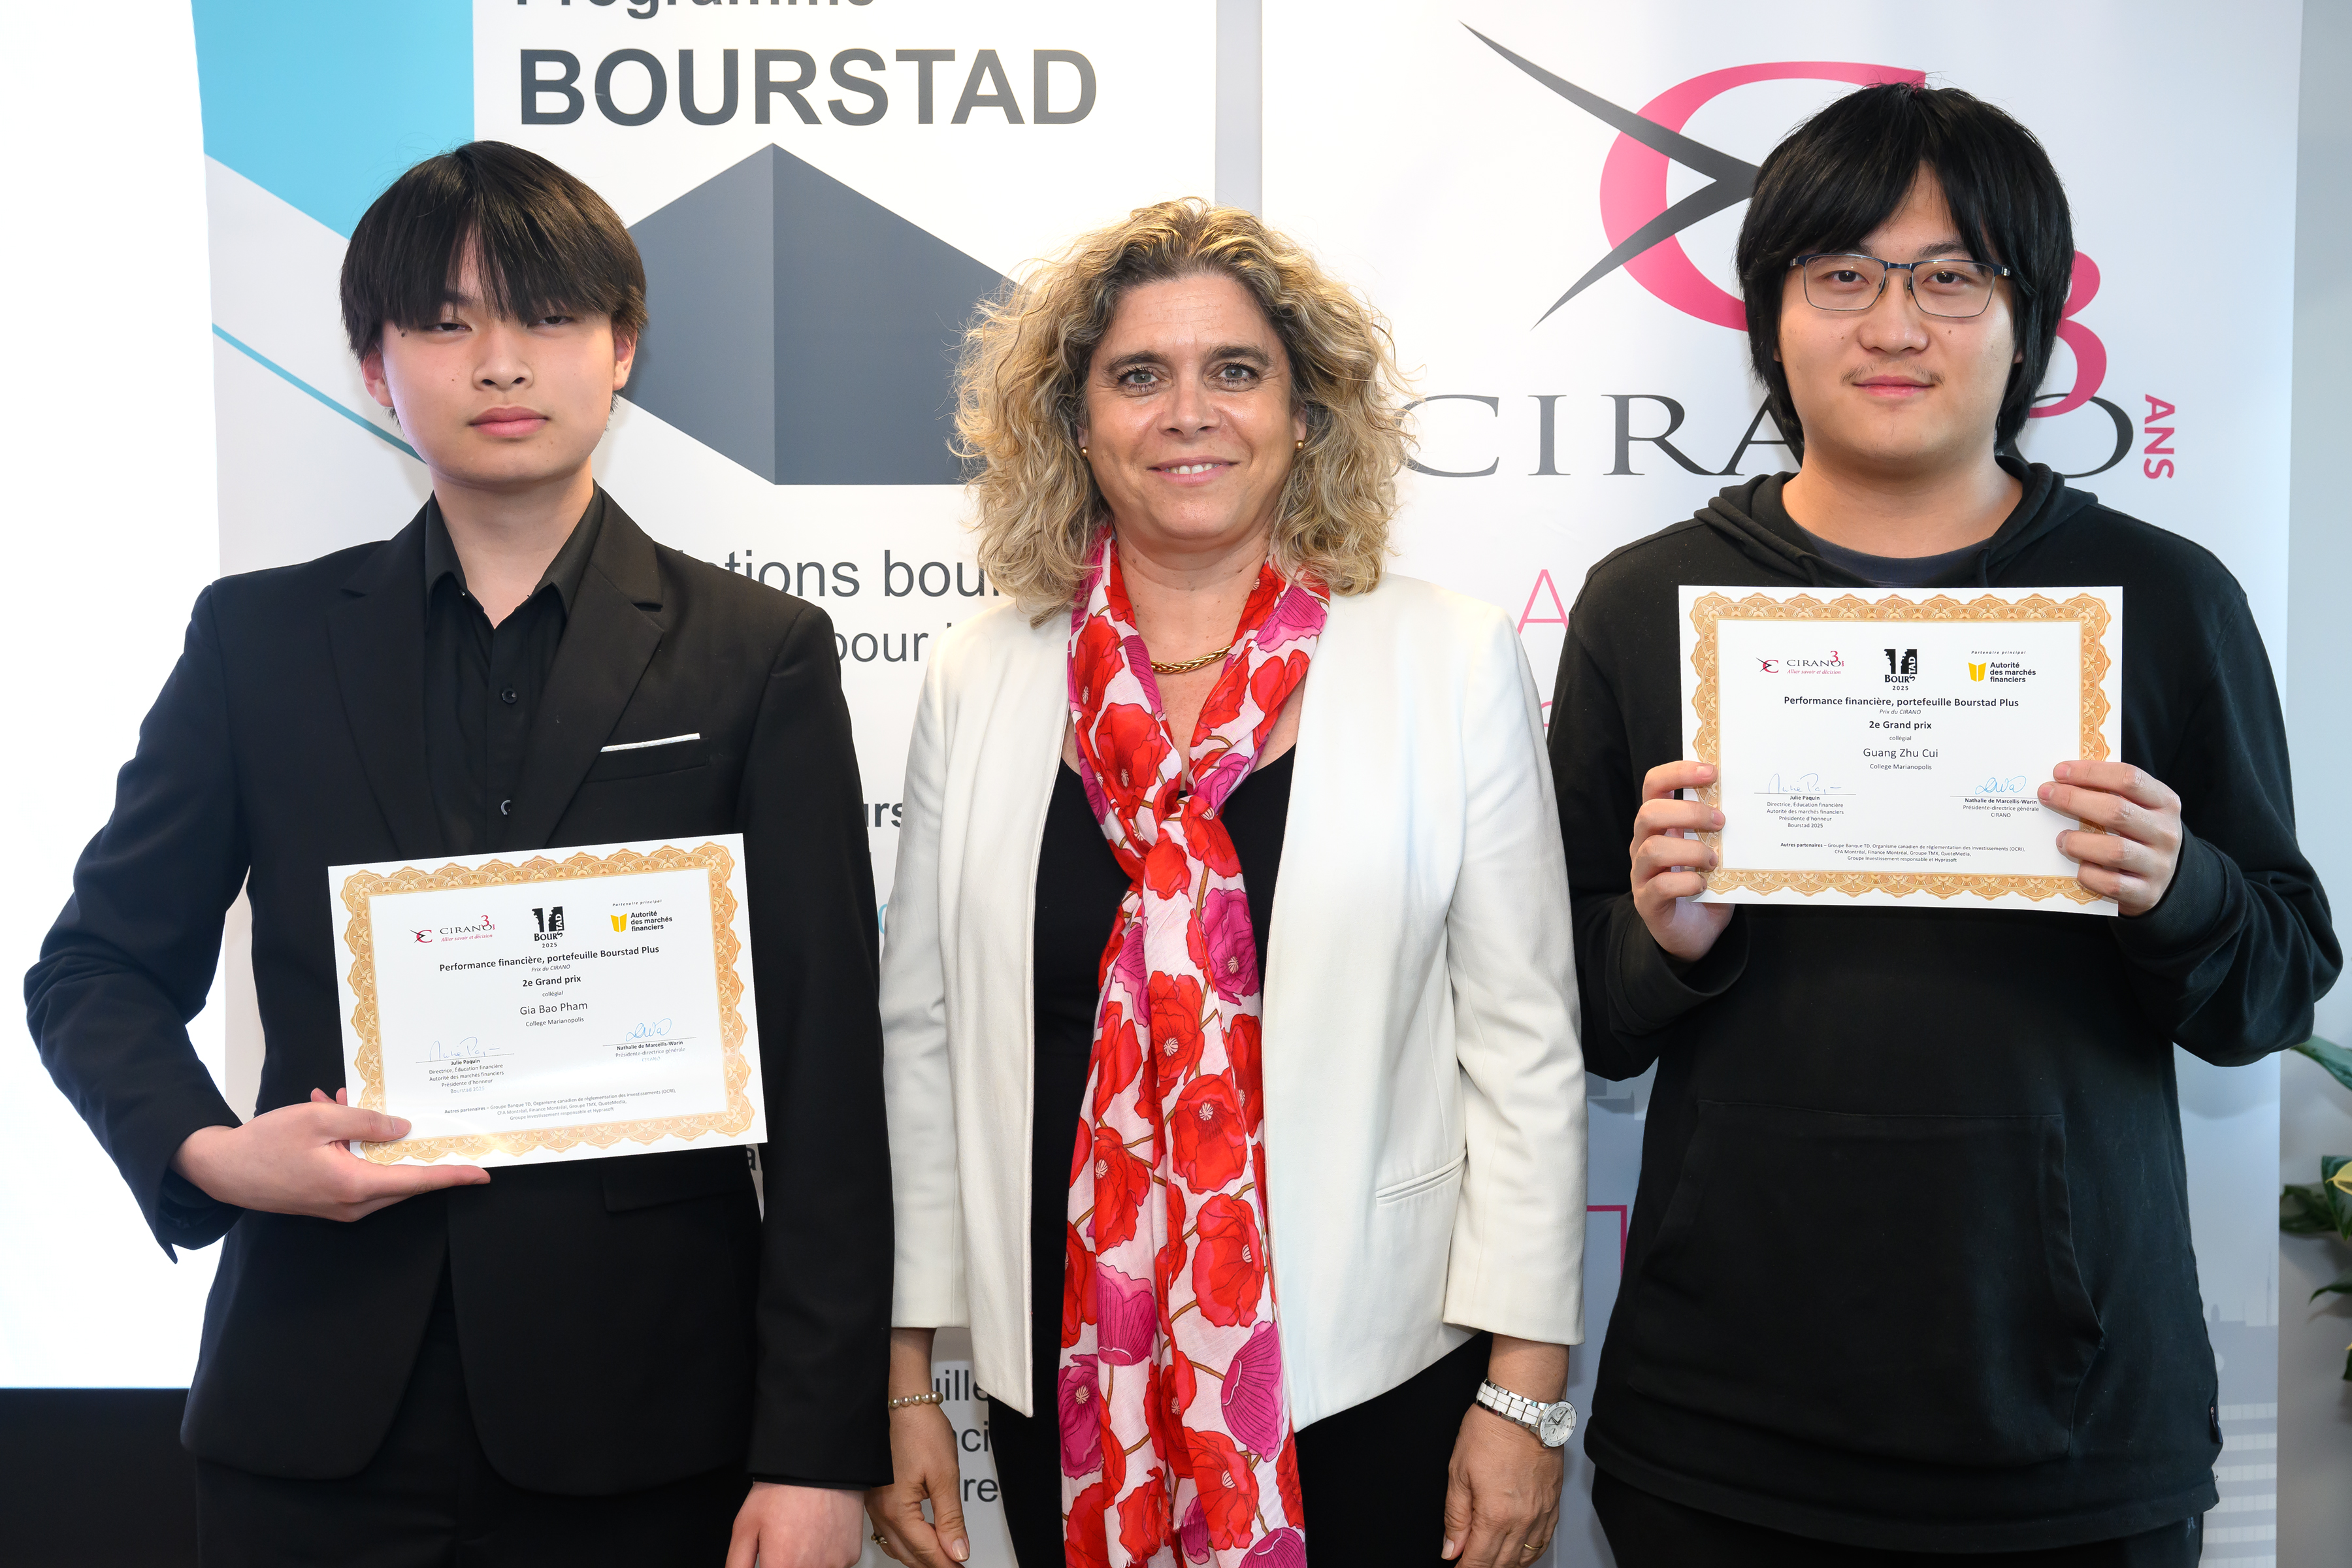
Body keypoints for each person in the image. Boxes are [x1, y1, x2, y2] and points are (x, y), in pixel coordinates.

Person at [24, 142, 890, 1568]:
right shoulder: (257, 643)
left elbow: (824, 1072)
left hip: (650, 1423)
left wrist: (815, 1450)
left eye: (547, 316)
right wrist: (217, 1156)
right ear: (376, 368)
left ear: (623, 348)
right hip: (314, 1417)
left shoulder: (757, 654)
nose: (500, 362)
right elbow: (95, 969)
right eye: (444, 322)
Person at [1549, 82, 2340, 1566]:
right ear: (1770, 311)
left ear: (2027, 321)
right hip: (1724, 1430)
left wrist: (2180, 888)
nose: (1896, 325)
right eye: (1843, 274)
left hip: (2075, 1431)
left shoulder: (2166, 598)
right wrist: (1662, 943)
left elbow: (2276, 992)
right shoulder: (1646, 601)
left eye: (1952, 277)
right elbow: (1571, 1017)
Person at [864, 201, 1587, 1568]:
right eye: (1139, 375)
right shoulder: (981, 673)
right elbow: (924, 1047)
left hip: (1373, 1368)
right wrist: (909, 1377)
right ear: (1078, 424)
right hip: (1060, 1364)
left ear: (1304, 414)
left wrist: (1526, 1392)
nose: (1188, 412)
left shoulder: (1447, 659)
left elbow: (1525, 1051)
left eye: (1235, 371)